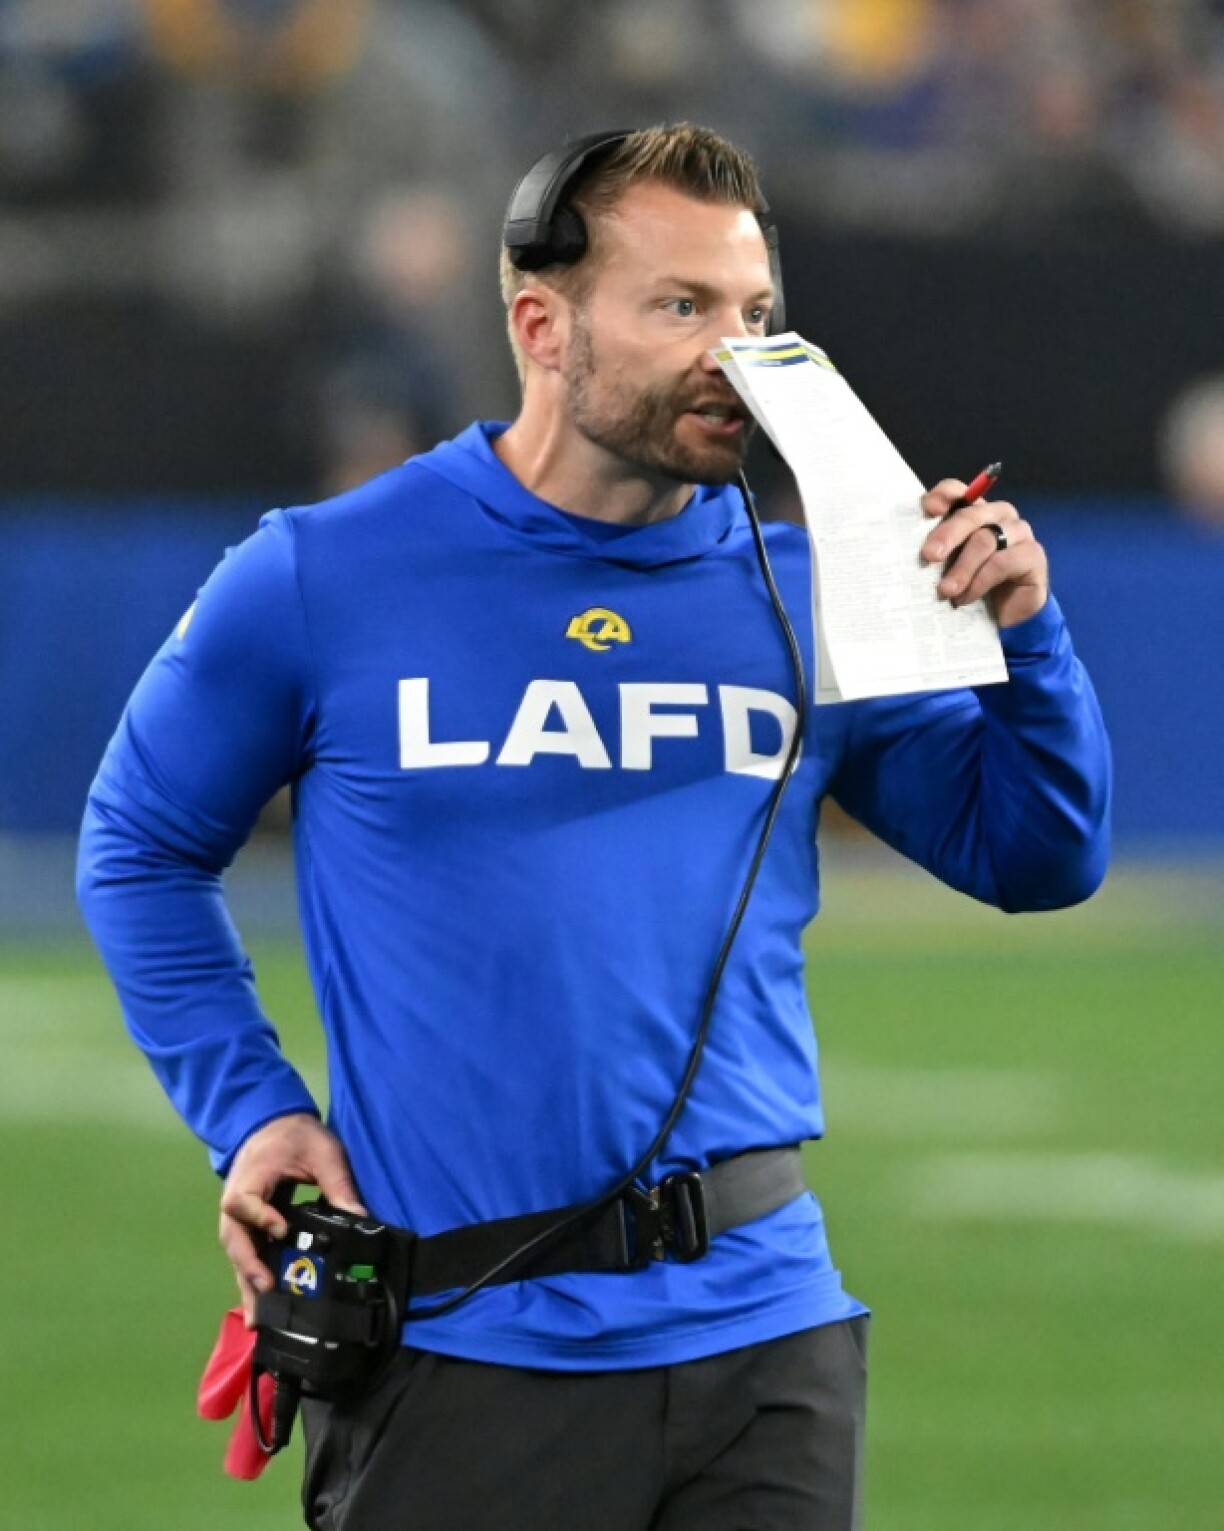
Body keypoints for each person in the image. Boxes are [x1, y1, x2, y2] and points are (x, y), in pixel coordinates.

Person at [77, 124, 1111, 1531]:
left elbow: (1037, 858)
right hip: (464, 1348)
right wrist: (250, 1111)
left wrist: (1029, 642)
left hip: (766, 1335)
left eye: (756, 314)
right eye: (680, 306)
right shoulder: (321, 573)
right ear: (541, 325)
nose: (733, 351)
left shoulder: (817, 588)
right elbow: (137, 847)